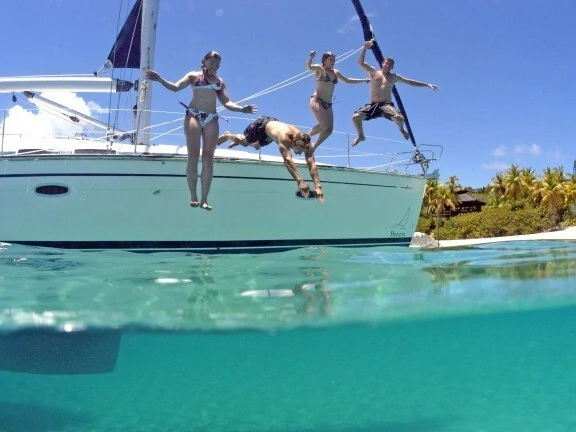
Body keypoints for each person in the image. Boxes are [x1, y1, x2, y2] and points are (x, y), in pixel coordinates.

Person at [145, 51, 257, 211]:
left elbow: (227, 102)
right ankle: (193, 195)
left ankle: (204, 199)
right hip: (194, 115)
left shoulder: (219, 82)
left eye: (217, 65)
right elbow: (175, 87)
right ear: (204, 61)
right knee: (193, 156)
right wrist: (159, 79)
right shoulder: (193, 76)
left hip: (211, 118)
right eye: (211, 63)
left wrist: (242, 109)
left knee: (208, 158)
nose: (214, 67)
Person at [216, 116, 325, 203]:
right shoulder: (284, 139)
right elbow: (288, 160)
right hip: (262, 125)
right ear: (293, 143)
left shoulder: (307, 144)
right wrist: (300, 181)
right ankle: (228, 136)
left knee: (257, 146)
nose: (301, 153)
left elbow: (312, 165)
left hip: (272, 127)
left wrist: (318, 186)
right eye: (299, 150)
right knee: (245, 143)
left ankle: (239, 141)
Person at [352, 40, 438, 147]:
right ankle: (361, 136)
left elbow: (410, 82)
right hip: (373, 105)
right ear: (383, 63)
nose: (388, 65)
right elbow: (361, 63)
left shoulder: (394, 77)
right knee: (355, 117)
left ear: (392, 68)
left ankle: (401, 129)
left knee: (400, 118)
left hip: (385, 105)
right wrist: (365, 48)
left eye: (390, 65)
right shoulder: (374, 72)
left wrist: (427, 85)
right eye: (386, 63)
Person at [306, 51, 369, 151]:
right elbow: (309, 67)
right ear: (324, 60)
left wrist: (363, 80)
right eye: (330, 59)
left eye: (334, 59)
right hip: (317, 100)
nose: (333, 61)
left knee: (329, 130)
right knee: (324, 125)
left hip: (328, 104)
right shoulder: (319, 69)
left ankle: (313, 147)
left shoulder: (336, 72)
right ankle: (306, 137)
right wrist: (311, 57)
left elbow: (348, 80)